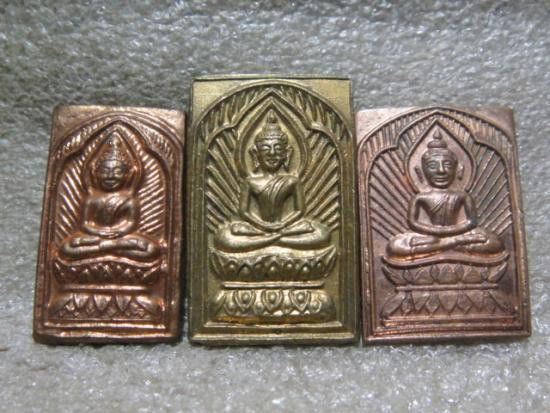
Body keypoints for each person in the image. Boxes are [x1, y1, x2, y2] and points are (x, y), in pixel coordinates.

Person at [215, 111, 330, 253]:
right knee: (228, 234)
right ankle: (277, 239)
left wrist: (282, 225)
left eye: (278, 148)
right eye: (266, 148)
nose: (272, 153)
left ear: (286, 153)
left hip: (287, 228)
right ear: (256, 153)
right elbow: (244, 212)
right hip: (257, 229)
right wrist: (263, 225)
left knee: (320, 233)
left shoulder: (292, 181)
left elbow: (300, 210)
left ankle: (269, 240)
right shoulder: (250, 182)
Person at [387, 131, 503, 258]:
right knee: (395, 245)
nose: (441, 171)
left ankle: (443, 245)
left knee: (495, 242)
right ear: (421, 171)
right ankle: (453, 243)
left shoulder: (462, 196)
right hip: (432, 236)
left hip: (452, 235)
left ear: (458, 169)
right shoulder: (420, 197)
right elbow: (413, 223)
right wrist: (438, 231)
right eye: (433, 166)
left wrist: (450, 231)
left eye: (447, 165)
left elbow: (472, 222)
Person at [60, 132, 160, 261]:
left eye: (117, 172)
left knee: (151, 249)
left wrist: (118, 232)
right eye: (105, 171)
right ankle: (109, 248)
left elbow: (131, 224)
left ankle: (104, 248)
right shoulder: (92, 199)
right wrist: (99, 232)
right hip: (95, 238)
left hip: (120, 238)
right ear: (95, 173)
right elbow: (85, 224)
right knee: (68, 247)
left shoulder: (129, 200)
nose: (110, 176)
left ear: (128, 175)